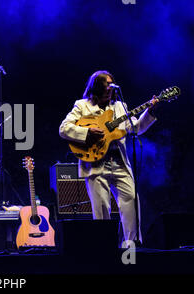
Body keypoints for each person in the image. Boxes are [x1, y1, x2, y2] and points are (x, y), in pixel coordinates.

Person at [59, 70, 158, 246]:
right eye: (106, 85)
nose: (109, 88)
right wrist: (87, 131)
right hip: (95, 163)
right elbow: (64, 128)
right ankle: (104, 249)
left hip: (119, 163)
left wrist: (149, 111)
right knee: (102, 209)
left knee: (132, 202)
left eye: (111, 85)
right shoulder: (82, 105)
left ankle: (131, 247)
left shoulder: (120, 106)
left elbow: (135, 128)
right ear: (96, 87)